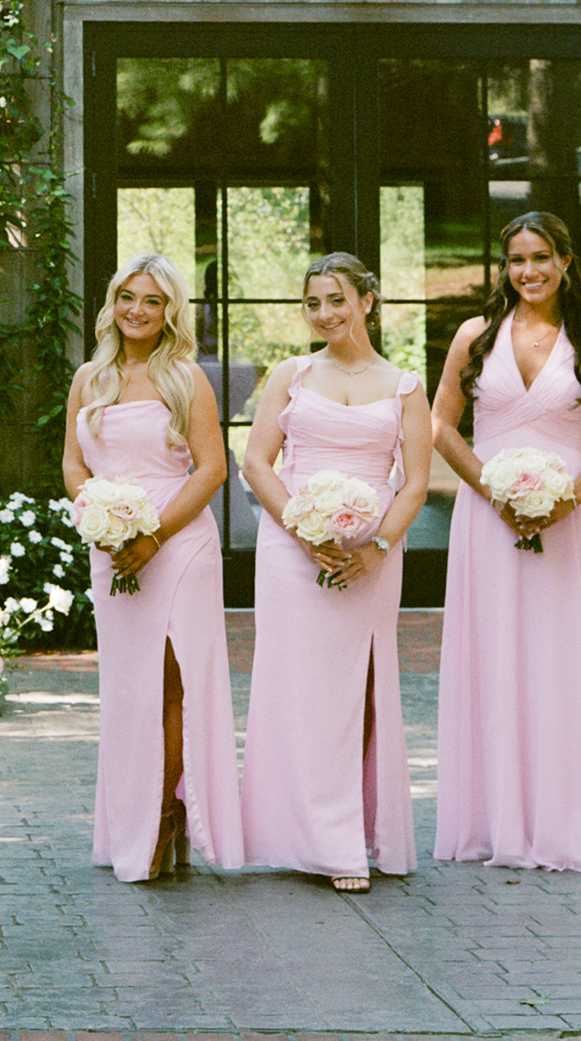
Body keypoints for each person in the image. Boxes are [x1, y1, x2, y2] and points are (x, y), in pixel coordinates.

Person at [430, 211, 581, 875]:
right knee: (492, 653)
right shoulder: (474, 336)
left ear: (566, 262)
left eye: (541, 257)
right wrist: (493, 492)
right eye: (516, 260)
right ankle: (493, 821)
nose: (528, 271)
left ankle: (562, 817)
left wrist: (563, 499)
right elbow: (442, 428)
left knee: (557, 659)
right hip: (486, 520)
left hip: (566, 522)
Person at [239, 254, 429, 890]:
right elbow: (257, 463)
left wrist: (377, 546)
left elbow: (415, 482)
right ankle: (303, 836)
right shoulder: (290, 375)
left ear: (368, 302)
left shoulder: (405, 385)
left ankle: (352, 834)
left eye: (336, 301)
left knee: (359, 689)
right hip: (292, 549)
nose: (324, 314)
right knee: (297, 686)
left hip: (370, 554)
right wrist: (304, 529)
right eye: (313, 303)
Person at [61, 252, 243, 882]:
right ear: (113, 304)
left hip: (179, 544)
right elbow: (73, 465)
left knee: (171, 682)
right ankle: (136, 818)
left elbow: (213, 469)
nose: (138, 311)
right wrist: (99, 518)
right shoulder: (89, 377)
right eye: (128, 298)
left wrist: (154, 536)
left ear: (171, 311)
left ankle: (167, 815)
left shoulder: (186, 378)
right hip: (112, 549)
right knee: (128, 686)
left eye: (153, 301)